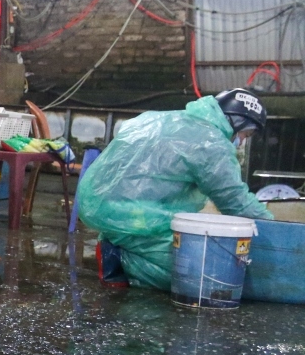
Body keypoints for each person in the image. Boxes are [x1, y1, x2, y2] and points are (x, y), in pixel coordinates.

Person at [78, 89, 274, 289]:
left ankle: (116, 243)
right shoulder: (211, 143)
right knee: (204, 273)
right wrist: (275, 229)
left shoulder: (162, 118)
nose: (240, 141)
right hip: (135, 214)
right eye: (245, 134)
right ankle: (121, 259)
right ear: (236, 122)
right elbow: (234, 201)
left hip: (99, 202)